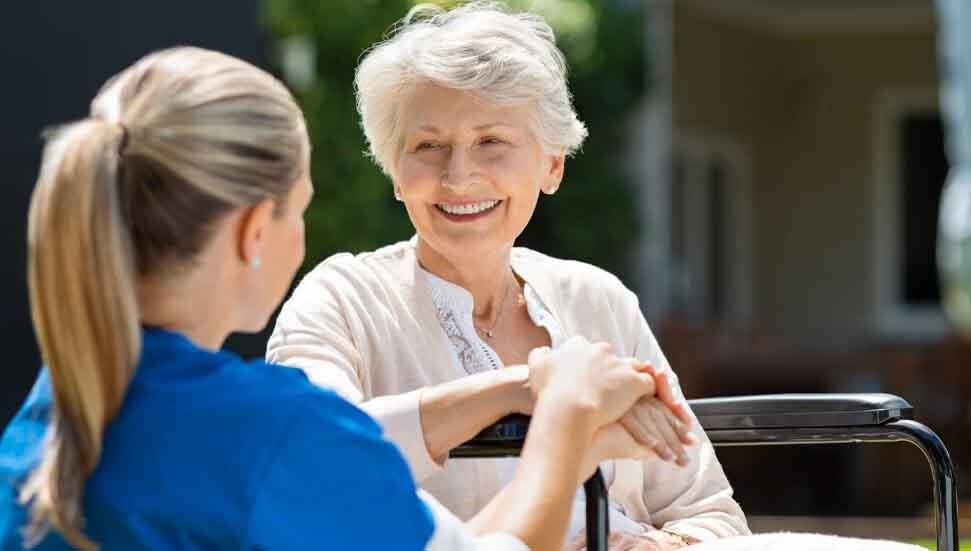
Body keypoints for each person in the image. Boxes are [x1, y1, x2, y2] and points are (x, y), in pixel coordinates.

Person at [0, 46, 680, 551]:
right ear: (251, 231)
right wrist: (564, 417)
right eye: (301, 208)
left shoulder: (54, 411)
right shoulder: (275, 432)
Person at [266, 2, 742, 548]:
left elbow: (705, 508)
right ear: (395, 172)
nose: (458, 175)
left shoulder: (598, 298)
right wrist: (525, 389)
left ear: (552, 165)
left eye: (490, 141)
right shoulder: (342, 300)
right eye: (428, 146)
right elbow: (311, 462)